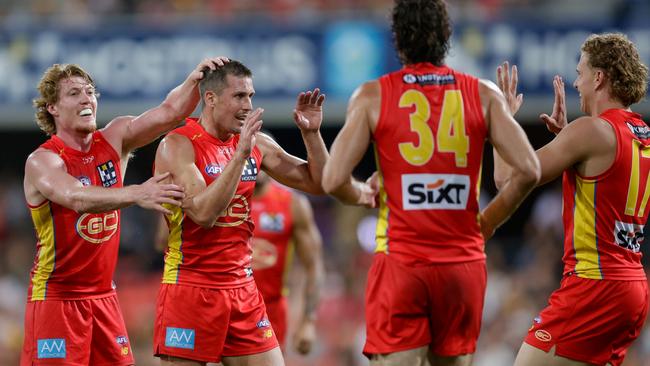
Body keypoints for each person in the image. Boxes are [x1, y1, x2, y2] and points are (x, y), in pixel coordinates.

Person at [321, 0, 541, 365]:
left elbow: (331, 180)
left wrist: (362, 194)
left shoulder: (373, 95)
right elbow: (529, 170)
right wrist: (487, 222)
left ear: (398, 40)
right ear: (446, 37)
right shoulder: (483, 93)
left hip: (402, 263)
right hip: (462, 266)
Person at [20, 57, 229, 366]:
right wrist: (138, 192)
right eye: (74, 93)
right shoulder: (43, 161)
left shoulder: (115, 137)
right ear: (52, 107)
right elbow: (75, 197)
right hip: (56, 299)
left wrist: (194, 81)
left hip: (105, 296)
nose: (86, 98)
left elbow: (169, 113)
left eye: (90, 91)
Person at [152, 60, 327, 366]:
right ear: (211, 99)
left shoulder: (254, 143)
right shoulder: (178, 145)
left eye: (250, 96)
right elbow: (203, 213)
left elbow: (319, 183)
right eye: (239, 96)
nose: (248, 105)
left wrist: (312, 135)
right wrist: (240, 156)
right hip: (192, 286)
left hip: (242, 288)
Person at [495, 32, 650, 366]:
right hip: (633, 286)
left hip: (594, 285)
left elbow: (506, 178)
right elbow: (607, 179)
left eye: (580, 73)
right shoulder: (641, 134)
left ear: (598, 77)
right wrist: (567, 146)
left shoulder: (590, 132)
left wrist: (501, 120)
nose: (576, 83)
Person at [250, 169, 324, 355]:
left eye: (262, 158)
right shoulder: (224, 199)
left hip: (271, 312)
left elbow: (313, 264)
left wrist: (308, 321)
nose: (257, 165)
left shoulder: (292, 204)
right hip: (227, 305)